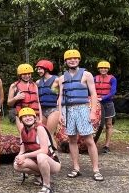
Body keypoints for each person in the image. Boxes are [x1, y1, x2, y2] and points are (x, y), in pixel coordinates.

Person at [58, 49, 103, 181]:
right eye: (70, 59)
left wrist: (93, 111)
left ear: (79, 60)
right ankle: (76, 168)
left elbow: (93, 94)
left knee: (89, 140)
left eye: (75, 58)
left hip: (82, 109)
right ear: (66, 61)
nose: (73, 60)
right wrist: (60, 113)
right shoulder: (61, 78)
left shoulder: (87, 75)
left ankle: (96, 170)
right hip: (68, 110)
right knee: (71, 140)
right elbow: (60, 96)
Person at [13, 108, 60, 193]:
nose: (28, 118)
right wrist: (19, 157)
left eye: (30, 116)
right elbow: (22, 150)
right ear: (21, 120)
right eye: (25, 116)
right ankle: (38, 174)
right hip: (36, 161)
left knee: (41, 156)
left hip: (52, 162)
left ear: (35, 118)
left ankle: (46, 186)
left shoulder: (40, 128)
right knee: (16, 165)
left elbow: (44, 150)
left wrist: (25, 156)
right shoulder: (23, 131)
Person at [7, 64, 43, 132]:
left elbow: (38, 103)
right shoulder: (14, 86)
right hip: (21, 114)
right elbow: (9, 103)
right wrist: (16, 98)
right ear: (20, 75)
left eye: (28, 73)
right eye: (24, 74)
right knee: (23, 135)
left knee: (36, 135)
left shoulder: (35, 85)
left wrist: (40, 118)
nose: (27, 76)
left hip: (34, 114)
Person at [94, 61, 117, 153]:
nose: (103, 69)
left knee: (108, 124)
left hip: (108, 103)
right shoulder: (94, 78)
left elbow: (113, 91)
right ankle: (91, 143)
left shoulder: (112, 79)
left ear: (108, 69)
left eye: (105, 68)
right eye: (101, 68)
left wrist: (102, 98)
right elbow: (90, 88)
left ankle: (107, 145)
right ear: (99, 69)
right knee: (94, 124)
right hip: (96, 103)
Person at [35, 59, 60, 135]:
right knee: (42, 134)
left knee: (49, 135)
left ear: (47, 69)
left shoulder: (56, 80)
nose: (38, 71)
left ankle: (52, 147)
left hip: (53, 109)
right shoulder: (38, 82)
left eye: (40, 69)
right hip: (42, 110)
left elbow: (62, 93)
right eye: (38, 69)